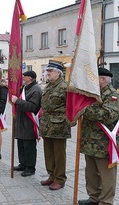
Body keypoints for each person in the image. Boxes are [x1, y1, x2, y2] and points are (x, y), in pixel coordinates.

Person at [78, 68, 119, 205]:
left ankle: (106, 201)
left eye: (93, 77)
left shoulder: (112, 95)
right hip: (89, 141)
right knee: (91, 174)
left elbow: (108, 115)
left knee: (106, 175)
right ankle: (94, 198)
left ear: (102, 79)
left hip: (104, 143)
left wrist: (84, 108)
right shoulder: (93, 94)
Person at [39, 60, 71, 190]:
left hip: (59, 125)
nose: (48, 73)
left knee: (59, 154)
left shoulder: (64, 86)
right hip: (47, 124)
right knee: (49, 153)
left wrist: (66, 120)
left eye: (51, 71)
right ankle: (51, 175)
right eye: (48, 71)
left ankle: (60, 179)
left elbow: (70, 107)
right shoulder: (49, 86)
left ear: (58, 73)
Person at [11, 70, 42, 177]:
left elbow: (33, 107)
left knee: (29, 146)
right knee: (21, 144)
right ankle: (23, 164)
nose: (23, 77)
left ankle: (30, 167)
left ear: (31, 78)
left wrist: (18, 101)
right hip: (21, 120)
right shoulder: (25, 88)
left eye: (25, 76)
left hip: (29, 122)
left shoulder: (36, 90)